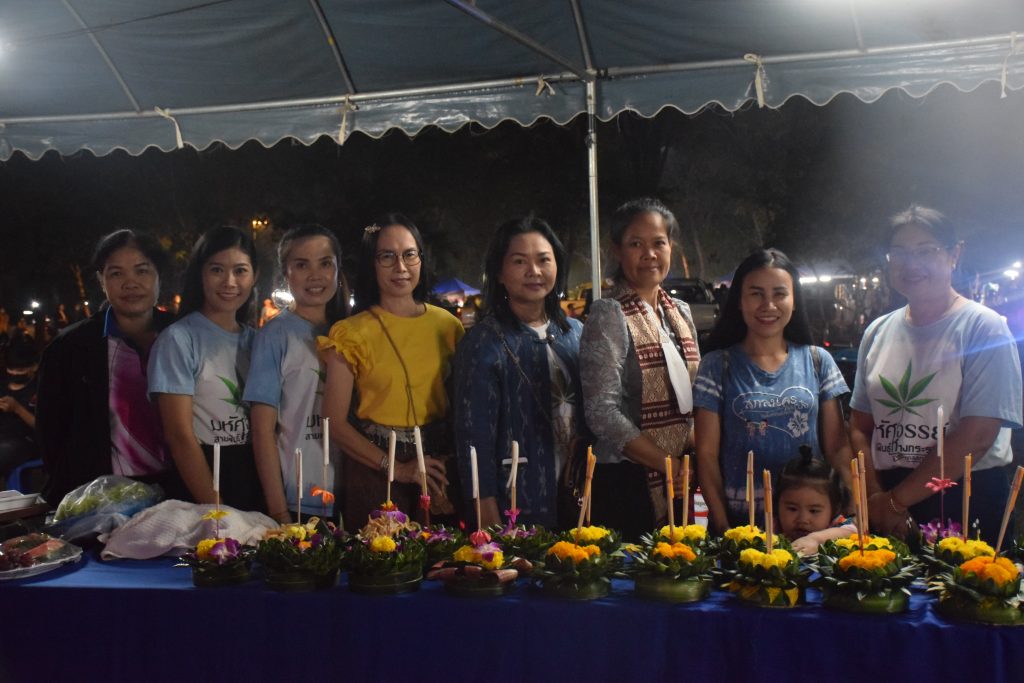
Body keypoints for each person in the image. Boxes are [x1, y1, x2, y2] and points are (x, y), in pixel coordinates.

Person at [850, 206, 1023, 542]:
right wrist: (875, 497)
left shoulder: (983, 328)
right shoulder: (877, 332)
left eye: (926, 251)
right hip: (887, 492)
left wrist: (897, 501)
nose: (911, 264)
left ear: (954, 254)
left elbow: (978, 435)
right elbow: (859, 426)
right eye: (900, 252)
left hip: (964, 492)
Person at [319, 214, 463, 531]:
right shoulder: (350, 332)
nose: (401, 267)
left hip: (436, 465)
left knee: (442, 554)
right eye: (387, 256)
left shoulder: (448, 326)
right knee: (381, 556)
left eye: (409, 255)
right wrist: (395, 468)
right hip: (374, 465)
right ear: (372, 263)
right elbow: (333, 423)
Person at [693, 248, 852, 533]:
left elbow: (838, 448)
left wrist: (851, 514)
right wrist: (724, 528)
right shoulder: (717, 366)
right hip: (742, 527)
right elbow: (706, 455)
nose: (768, 305)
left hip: (808, 526)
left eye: (779, 294)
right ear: (739, 301)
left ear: (794, 300)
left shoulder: (818, 362)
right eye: (756, 294)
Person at [579, 198, 699, 540]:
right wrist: (666, 463)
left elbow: (693, 399)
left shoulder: (680, 312)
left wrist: (690, 460)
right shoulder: (609, 314)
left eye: (658, 242)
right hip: (627, 482)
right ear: (617, 250)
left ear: (671, 247)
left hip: (679, 476)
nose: (649, 254)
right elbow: (602, 413)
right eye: (636, 244)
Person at [454, 217, 584, 529]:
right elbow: (473, 435)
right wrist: (484, 507)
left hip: (578, 495)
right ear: (499, 272)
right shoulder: (483, 343)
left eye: (544, 260)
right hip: (516, 501)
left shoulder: (576, 334)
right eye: (519, 261)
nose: (534, 271)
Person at [36, 229, 178, 505]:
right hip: (102, 501)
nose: (130, 283)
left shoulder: (185, 336)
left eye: (142, 271)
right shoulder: (69, 349)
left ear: (159, 276)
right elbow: (51, 434)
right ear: (102, 281)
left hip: (179, 494)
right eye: (116, 273)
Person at [148, 227, 263, 512]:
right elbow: (179, 436)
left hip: (256, 475)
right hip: (204, 481)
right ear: (200, 274)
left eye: (240, 271)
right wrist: (217, 511)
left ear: (254, 276)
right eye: (216, 270)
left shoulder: (258, 341)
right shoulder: (178, 339)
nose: (229, 282)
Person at [244, 225, 348, 523]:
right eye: (302, 265)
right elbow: (263, 431)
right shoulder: (275, 336)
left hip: (356, 494)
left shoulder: (353, 331)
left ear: (338, 269)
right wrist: (279, 512)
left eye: (325, 263)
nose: (315, 275)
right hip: (300, 499)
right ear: (286, 273)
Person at [776, 446, 857, 555]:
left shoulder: (837, 525)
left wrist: (816, 539)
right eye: (792, 509)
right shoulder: (773, 528)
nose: (803, 519)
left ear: (835, 508)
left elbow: (852, 532)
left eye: (813, 511)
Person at [0, 334, 39, 485]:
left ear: (34, 366)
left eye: (20, 369)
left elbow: (45, 427)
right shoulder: (3, 383)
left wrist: (17, 409)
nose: (15, 374)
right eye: (11, 369)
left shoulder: (41, 388)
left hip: (26, 442)